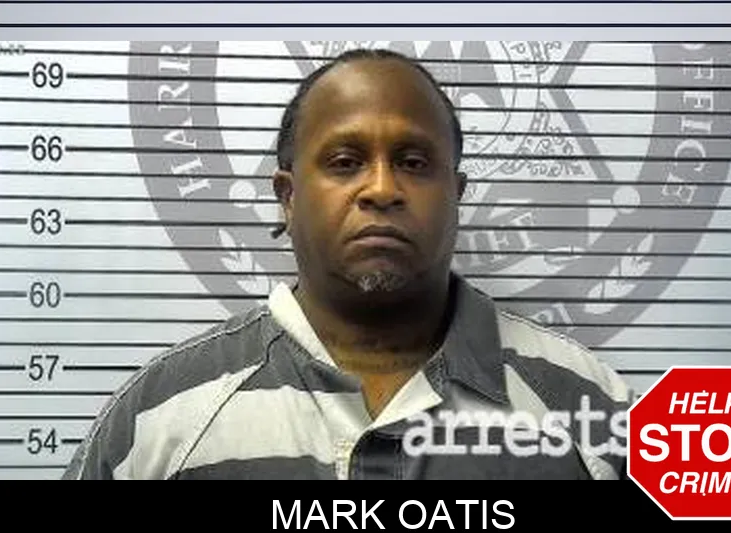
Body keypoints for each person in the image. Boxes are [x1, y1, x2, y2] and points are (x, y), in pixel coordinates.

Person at [63, 48, 633, 480]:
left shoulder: (595, 410)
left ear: (456, 195)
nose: (382, 189)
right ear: (288, 197)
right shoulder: (159, 418)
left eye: (413, 162)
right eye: (344, 161)